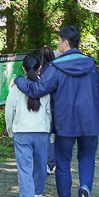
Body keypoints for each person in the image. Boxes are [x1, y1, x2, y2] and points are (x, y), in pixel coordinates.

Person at [14, 26, 99, 197]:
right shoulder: (90, 64)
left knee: (63, 161)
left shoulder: (56, 67)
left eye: (59, 41)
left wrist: (19, 80)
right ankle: (85, 188)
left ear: (66, 42)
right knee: (87, 157)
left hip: (65, 122)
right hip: (90, 121)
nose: (58, 44)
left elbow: (38, 89)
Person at [6, 54, 52, 197]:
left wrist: (10, 129)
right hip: (41, 132)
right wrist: (50, 132)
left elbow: (9, 112)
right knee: (40, 165)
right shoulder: (44, 88)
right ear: (39, 68)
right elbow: (49, 112)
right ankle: (37, 194)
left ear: (23, 69)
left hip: (21, 132)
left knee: (24, 169)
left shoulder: (15, 89)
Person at [38, 46, 57, 174]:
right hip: (54, 109)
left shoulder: (37, 71)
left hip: (40, 110)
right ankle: (50, 164)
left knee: (43, 137)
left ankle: (42, 163)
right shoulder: (55, 70)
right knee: (52, 139)